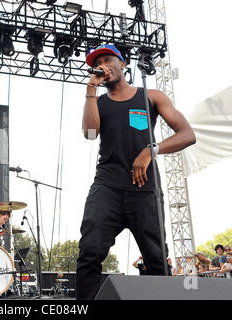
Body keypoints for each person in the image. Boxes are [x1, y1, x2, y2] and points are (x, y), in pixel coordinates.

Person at [76, 44, 196, 300]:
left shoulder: (151, 96)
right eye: (97, 63)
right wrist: (90, 89)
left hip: (144, 189)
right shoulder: (98, 102)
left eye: (108, 59)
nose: (103, 65)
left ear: (123, 65)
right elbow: (89, 134)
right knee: (89, 251)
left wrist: (151, 150)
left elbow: (187, 134)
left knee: (156, 259)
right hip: (107, 187)